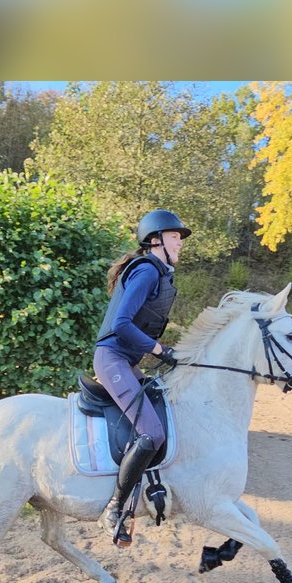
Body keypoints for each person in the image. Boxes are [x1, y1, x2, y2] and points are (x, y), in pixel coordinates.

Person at [93, 208, 190, 545]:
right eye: (175, 236)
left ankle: (143, 494)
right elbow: (121, 323)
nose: (180, 242)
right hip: (113, 358)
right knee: (151, 432)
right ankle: (114, 508)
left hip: (125, 360)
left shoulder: (159, 275)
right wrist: (160, 350)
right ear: (155, 240)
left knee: (160, 413)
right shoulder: (147, 272)